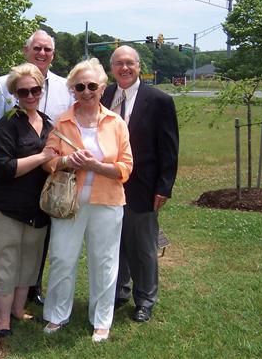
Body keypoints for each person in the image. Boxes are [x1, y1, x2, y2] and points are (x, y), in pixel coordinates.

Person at [41, 58, 133, 343]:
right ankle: (57, 314)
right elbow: (48, 159)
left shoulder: (116, 123)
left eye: (92, 85)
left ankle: (101, 320)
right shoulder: (63, 121)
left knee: (104, 262)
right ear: (72, 90)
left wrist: (96, 167)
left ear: (102, 88)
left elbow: (126, 167)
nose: (86, 91)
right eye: (79, 86)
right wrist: (68, 160)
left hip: (107, 201)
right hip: (69, 201)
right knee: (61, 257)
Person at [0, 29, 73, 305]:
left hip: (47, 177)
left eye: (47, 49)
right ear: (26, 51)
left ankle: (33, 288)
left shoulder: (65, 85)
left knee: (39, 239)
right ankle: (8, 299)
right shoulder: (3, 84)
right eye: (37, 48)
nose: (42, 53)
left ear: (53, 55)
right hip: (12, 175)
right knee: (9, 244)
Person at [0, 63, 58, 337]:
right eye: (24, 92)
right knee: (5, 259)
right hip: (4, 205)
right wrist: (43, 157)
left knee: (29, 260)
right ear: (15, 94)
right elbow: (3, 167)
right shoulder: (7, 124)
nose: (31, 95)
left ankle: (18, 310)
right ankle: (2, 319)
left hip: (35, 206)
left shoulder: (48, 123)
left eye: (36, 89)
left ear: (41, 89)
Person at [100, 45, 179, 323]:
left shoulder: (159, 100)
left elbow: (169, 149)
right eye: (119, 63)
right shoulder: (104, 94)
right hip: (108, 184)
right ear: (112, 68)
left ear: (138, 66)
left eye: (130, 63)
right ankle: (119, 290)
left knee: (143, 246)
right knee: (115, 242)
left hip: (144, 185)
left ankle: (145, 299)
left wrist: (164, 186)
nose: (124, 68)